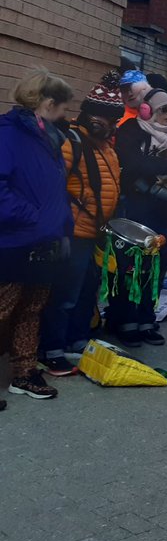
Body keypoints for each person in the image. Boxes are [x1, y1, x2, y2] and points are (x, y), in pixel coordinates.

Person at [41, 73, 123, 376]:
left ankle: (77, 340)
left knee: (87, 290)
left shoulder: (106, 147)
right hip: (73, 231)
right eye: (103, 116)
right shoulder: (70, 142)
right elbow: (53, 186)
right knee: (64, 294)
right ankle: (51, 349)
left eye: (113, 119)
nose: (108, 123)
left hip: (95, 232)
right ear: (88, 113)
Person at [0, 70, 74, 402]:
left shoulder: (50, 138)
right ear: (47, 103)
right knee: (3, 308)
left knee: (32, 308)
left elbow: (53, 189)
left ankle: (25, 373)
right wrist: (35, 219)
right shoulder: (7, 134)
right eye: (62, 107)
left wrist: (59, 224)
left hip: (46, 239)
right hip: (13, 241)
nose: (67, 114)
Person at [113, 88, 167, 347]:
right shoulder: (131, 130)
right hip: (140, 209)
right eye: (164, 109)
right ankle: (125, 321)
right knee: (133, 267)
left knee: (158, 268)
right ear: (147, 111)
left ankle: (147, 319)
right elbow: (133, 162)